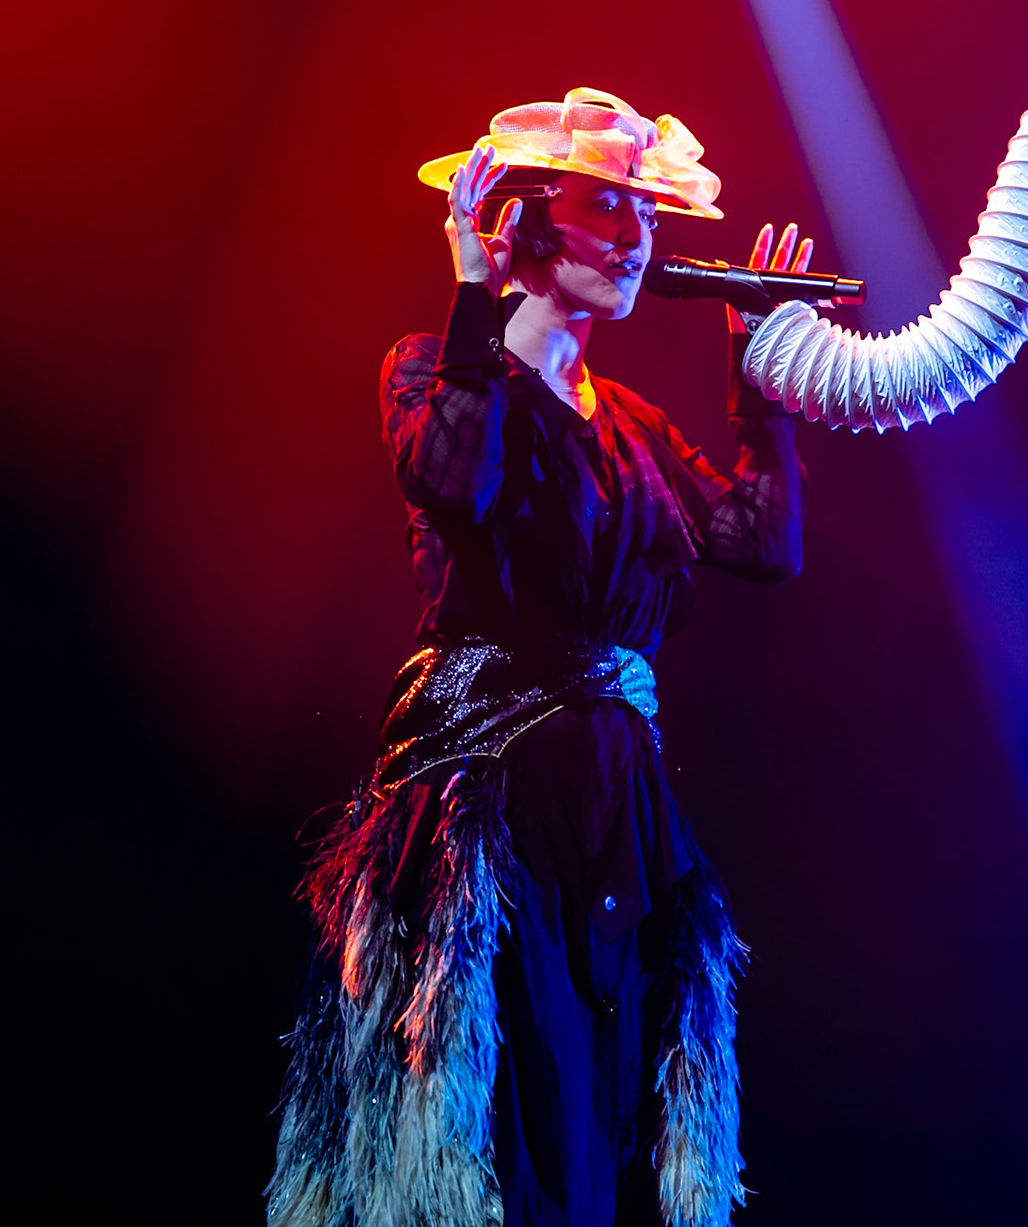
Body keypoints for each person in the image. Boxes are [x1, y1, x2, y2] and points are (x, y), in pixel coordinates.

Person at [267, 88, 814, 1227]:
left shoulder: (631, 425)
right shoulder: (437, 368)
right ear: (522, 221)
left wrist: (757, 371)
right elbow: (454, 480)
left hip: (620, 814)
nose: (636, 238)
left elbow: (763, 543)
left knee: (611, 1117)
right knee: (511, 1109)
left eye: (646, 216)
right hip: (498, 799)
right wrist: (472, 294)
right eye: (607, 207)